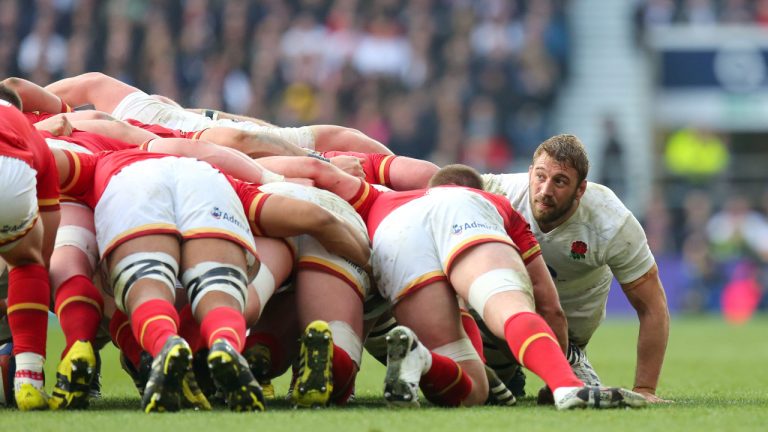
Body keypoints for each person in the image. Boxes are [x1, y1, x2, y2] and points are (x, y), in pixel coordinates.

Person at [309, 163, 645, 409]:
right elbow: (550, 303)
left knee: (472, 385)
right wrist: (555, 375)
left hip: (397, 230)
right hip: (467, 215)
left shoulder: (382, 197)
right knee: (507, 309)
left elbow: (322, 172)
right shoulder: (497, 204)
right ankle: (568, 389)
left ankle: (420, 357)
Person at [482, 134, 671, 403]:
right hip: (500, 323)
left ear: (580, 190)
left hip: (568, 335)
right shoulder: (498, 192)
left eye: (559, 181)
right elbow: (444, 193)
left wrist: (645, 389)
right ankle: (506, 372)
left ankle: (569, 363)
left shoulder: (613, 223)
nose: (545, 190)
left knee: (575, 398)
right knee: (476, 391)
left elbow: (653, 307)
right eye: (540, 176)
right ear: (529, 173)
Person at [41, 72, 393, 154]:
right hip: (193, 141)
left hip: (198, 126)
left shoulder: (131, 100)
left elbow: (89, 83)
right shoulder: (93, 123)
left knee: (340, 136)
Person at [0, 100, 61, 411]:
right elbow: (46, 247)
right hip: (8, 171)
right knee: (27, 260)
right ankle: (28, 378)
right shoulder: (27, 129)